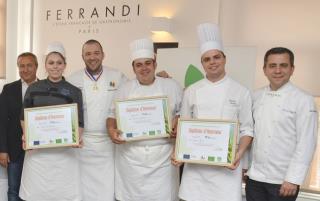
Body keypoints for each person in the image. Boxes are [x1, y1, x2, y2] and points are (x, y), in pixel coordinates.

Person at [174, 23, 253, 201]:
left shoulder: (241, 91)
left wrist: (237, 156)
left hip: (226, 173)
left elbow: (247, 130)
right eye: (207, 59)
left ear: (225, 59)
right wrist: (178, 152)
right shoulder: (191, 91)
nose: (212, 62)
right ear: (202, 63)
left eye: (216, 57)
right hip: (195, 172)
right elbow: (183, 126)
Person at [106, 38, 182, 201]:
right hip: (131, 159)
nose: (144, 68)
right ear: (133, 68)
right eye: (138, 64)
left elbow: (183, 113)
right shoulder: (124, 89)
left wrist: (178, 124)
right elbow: (112, 115)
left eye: (148, 63)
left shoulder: (172, 86)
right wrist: (111, 130)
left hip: (163, 159)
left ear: (155, 64)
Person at [245, 47, 318, 201]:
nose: (277, 70)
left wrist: (293, 179)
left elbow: (306, 143)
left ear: (292, 69)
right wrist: (245, 167)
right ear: (264, 70)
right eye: (272, 66)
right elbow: (249, 134)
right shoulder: (255, 96)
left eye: (283, 65)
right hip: (254, 178)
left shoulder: (303, 99)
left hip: (283, 181)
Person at [19, 42, 84, 201]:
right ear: (45, 66)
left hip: (64, 155)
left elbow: (79, 122)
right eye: (51, 63)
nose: (55, 67)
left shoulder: (74, 91)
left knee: (63, 195)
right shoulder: (33, 88)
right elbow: (24, 117)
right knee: (36, 195)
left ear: (65, 65)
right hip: (37, 155)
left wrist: (76, 138)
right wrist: (27, 136)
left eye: (59, 63)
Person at [67, 39, 128, 201]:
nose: (92, 57)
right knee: (82, 190)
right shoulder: (73, 79)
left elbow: (135, 96)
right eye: (88, 54)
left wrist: (160, 78)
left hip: (109, 144)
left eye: (96, 53)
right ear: (82, 57)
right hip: (82, 144)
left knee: (107, 190)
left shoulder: (118, 76)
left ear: (103, 55)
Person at [0, 52, 38, 201]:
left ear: (36, 67)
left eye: (29, 65)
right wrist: (2, 149)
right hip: (14, 149)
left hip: (38, 150)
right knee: (14, 190)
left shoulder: (46, 87)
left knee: (36, 189)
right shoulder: (8, 89)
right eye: (22, 66)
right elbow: (1, 121)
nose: (25, 69)